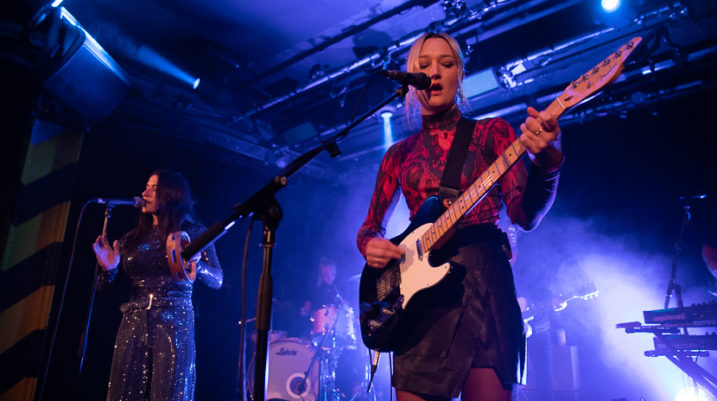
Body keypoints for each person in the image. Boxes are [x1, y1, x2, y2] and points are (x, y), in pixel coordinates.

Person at [356, 32, 563, 401]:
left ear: (460, 75)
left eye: (446, 64)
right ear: (411, 80)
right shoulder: (397, 155)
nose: (434, 72)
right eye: (423, 66)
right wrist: (371, 244)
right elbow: (370, 226)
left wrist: (547, 163)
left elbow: (525, 216)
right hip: (419, 299)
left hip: (485, 287)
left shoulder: (492, 133)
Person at [92, 169, 223, 401]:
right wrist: (109, 269)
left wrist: (196, 264)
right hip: (133, 320)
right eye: (145, 187)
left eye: (153, 188)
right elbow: (103, 287)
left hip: (174, 320)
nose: (144, 193)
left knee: (169, 392)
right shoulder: (131, 238)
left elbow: (217, 279)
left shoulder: (192, 233)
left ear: (172, 194)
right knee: (124, 392)